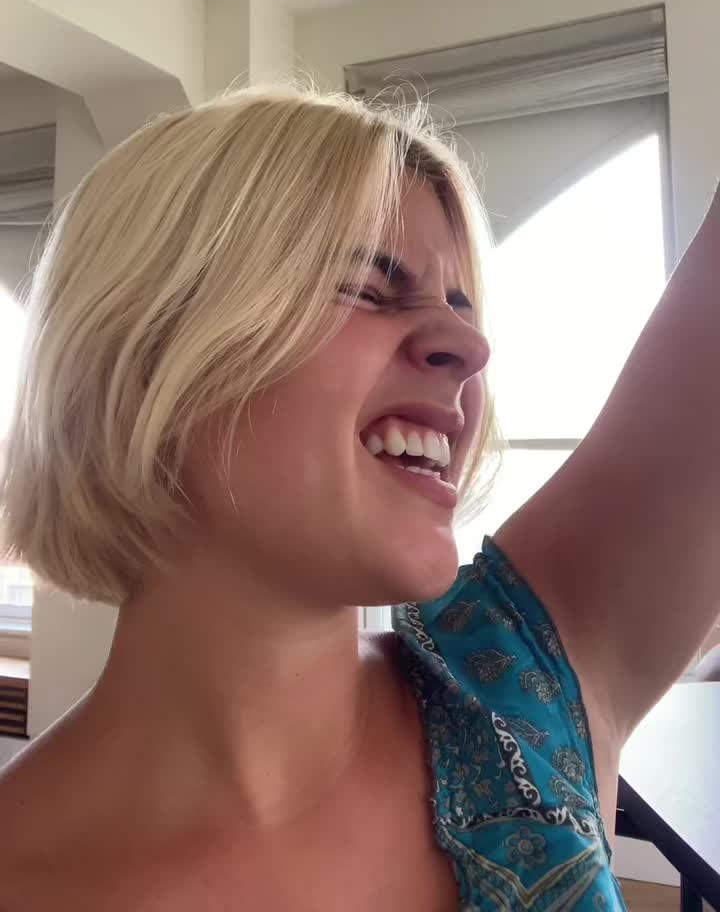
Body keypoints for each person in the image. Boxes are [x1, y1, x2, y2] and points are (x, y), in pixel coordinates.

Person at [0, 81, 718, 910]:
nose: (468, 345)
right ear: (149, 347)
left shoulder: (527, 681)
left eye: (460, 306)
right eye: (367, 290)